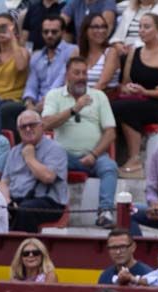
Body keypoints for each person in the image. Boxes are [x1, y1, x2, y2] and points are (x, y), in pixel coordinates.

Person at [42, 56, 117, 228]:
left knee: (109, 167)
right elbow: (46, 123)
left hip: (93, 155)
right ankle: (54, 213)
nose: (82, 77)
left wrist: (94, 154)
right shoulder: (54, 95)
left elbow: (110, 132)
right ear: (67, 74)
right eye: (77, 73)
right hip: (63, 156)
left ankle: (105, 212)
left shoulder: (99, 96)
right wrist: (74, 109)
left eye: (84, 73)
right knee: (47, 163)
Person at [109, 13, 158, 176]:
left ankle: (134, 159)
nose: (141, 31)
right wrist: (129, 89)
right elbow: (124, 83)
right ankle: (133, 160)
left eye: (146, 27)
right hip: (138, 100)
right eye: (140, 27)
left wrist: (147, 91)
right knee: (121, 107)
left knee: (121, 108)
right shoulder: (134, 52)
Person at [1, 109, 68, 233]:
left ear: (41, 126)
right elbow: (4, 182)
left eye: (32, 125)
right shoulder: (14, 151)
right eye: (23, 127)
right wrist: (7, 201)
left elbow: (48, 177)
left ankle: (21, 246)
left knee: (25, 210)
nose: (27, 129)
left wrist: (30, 158)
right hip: (16, 201)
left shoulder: (55, 149)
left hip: (47, 202)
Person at [23, 16, 75, 113]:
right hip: (38, 105)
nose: (49, 35)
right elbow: (31, 86)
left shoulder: (72, 51)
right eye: (46, 32)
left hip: (61, 102)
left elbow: (62, 81)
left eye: (54, 32)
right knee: (11, 110)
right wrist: (29, 103)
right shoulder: (36, 57)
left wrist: (46, 101)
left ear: (63, 32)